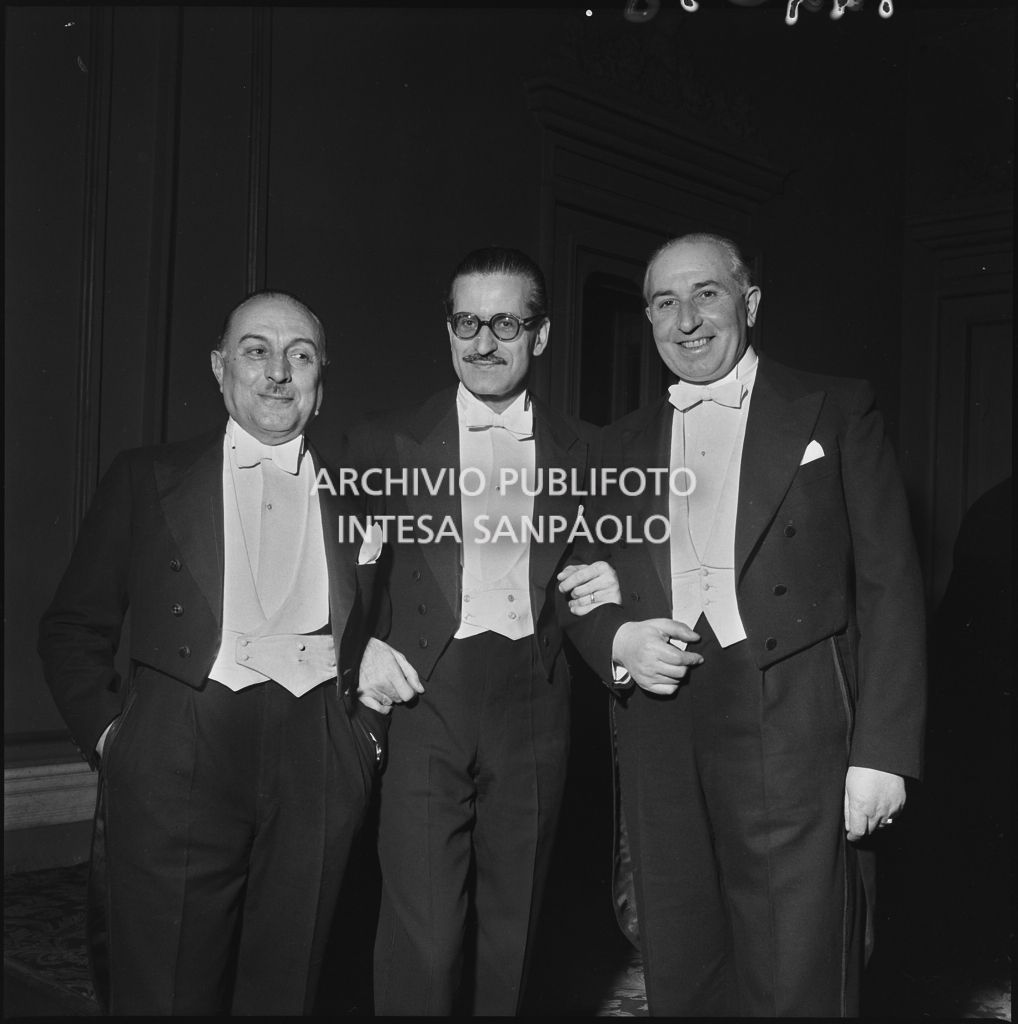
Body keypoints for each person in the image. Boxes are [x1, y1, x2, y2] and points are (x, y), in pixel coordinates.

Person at [567, 233, 927, 1016]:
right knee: (681, 960)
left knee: (796, 971)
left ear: (750, 303)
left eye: (707, 295)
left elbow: (892, 584)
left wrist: (882, 753)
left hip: (793, 720)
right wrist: (618, 641)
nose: (686, 320)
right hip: (660, 726)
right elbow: (577, 580)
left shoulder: (835, 408)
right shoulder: (616, 443)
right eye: (665, 302)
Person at [38, 291, 385, 1015]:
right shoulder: (147, 478)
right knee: (164, 991)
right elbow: (73, 626)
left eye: (301, 355)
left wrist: (365, 747)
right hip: (177, 756)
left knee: (289, 992)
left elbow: (385, 630)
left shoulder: (362, 497)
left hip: (317, 760)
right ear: (221, 368)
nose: (278, 373)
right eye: (257, 351)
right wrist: (115, 739)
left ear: (322, 384)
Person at [344, 246, 619, 1016]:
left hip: (537, 700)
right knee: (421, 932)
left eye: (506, 321)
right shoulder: (384, 441)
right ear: (448, 328)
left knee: (517, 924)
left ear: (542, 334)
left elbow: (619, 563)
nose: (484, 340)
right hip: (426, 697)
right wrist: (354, 648)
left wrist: (622, 582)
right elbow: (328, 570)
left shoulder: (588, 451)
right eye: (467, 320)